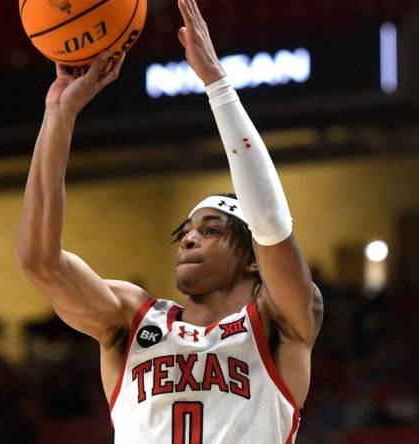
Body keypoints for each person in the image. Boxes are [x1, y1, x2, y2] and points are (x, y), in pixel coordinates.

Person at [17, 0, 323, 441]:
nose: (190, 240)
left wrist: (217, 86)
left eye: (211, 229)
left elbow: (271, 222)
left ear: (253, 260)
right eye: (187, 233)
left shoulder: (281, 325)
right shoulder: (130, 319)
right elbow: (39, 261)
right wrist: (59, 116)